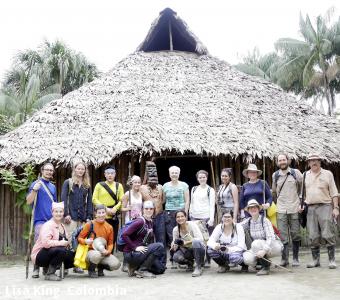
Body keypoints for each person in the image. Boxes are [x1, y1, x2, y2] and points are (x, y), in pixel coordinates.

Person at [303, 153, 339, 269]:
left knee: (328, 233)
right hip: (311, 208)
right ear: (308, 163)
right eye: (311, 161)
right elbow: (302, 194)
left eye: (316, 160)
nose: (314, 162)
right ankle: (315, 261)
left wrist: (336, 208)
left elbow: (334, 192)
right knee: (313, 235)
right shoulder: (305, 175)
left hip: (325, 206)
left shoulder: (328, 174)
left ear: (320, 161)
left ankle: (332, 260)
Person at [26, 162, 58, 278]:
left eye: (51, 170)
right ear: (42, 171)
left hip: (51, 221)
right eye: (47, 170)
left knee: (50, 244)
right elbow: (29, 201)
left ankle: (46, 267)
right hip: (39, 220)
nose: (49, 172)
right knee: (39, 244)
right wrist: (34, 190)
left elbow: (55, 205)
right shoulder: (36, 184)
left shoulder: (53, 187)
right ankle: (35, 267)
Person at [272, 154, 302, 267]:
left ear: (288, 160)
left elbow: (302, 188)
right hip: (281, 209)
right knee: (283, 235)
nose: (282, 162)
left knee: (295, 234)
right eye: (280, 160)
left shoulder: (296, 173)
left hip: (294, 208)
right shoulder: (275, 175)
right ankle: (284, 259)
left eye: (284, 160)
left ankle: (295, 258)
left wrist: (300, 202)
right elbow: (274, 192)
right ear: (277, 162)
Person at [31, 202, 75, 281]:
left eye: (61, 212)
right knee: (61, 250)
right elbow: (46, 243)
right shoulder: (48, 225)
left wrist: (67, 242)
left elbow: (65, 241)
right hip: (39, 255)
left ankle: (54, 267)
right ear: (52, 212)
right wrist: (61, 243)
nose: (59, 214)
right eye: (56, 211)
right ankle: (50, 273)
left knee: (73, 255)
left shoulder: (62, 226)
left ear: (63, 213)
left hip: (53, 252)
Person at [122, 201, 166, 278]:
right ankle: (142, 270)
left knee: (160, 269)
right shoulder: (140, 221)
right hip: (131, 253)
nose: (149, 210)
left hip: (142, 251)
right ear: (142, 210)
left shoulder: (150, 221)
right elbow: (124, 235)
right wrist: (134, 247)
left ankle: (135, 268)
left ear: (154, 210)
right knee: (159, 246)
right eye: (146, 208)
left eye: (151, 209)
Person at [78, 204, 121, 277]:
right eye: (99, 213)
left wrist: (108, 251)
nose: (101, 215)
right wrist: (85, 241)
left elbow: (110, 244)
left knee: (116, 264)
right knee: (97, 255)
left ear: (106, 213)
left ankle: (100, 267)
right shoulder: (89, 224)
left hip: (103, 252)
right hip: (90, 252)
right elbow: (79, 238)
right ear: (95, 214)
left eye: (103, 212)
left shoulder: (109, 227)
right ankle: (91, 269)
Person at [242, 199, 283, 276]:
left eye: (255, 207)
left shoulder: (264, 220)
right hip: (258, 247)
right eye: (250, 208)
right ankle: (264, 262)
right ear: (248, 210)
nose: (253, 209)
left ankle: (265, 267)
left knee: (255, 243)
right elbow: (236, 226)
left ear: (258, 209)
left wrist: (264, 250)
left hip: (272, 246)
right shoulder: (247, 221)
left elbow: (271, 237)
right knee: (246, 259)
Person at [92, 165, 124, 250]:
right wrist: (105, 208)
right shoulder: (99, 185)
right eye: (108, 173)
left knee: (111, 240)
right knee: (100, 239)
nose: (110, 175)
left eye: (112, 173)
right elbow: (94, 199)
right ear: (105, 174)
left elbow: (122, 200)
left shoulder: (119, 186)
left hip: (113, 217)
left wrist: (115, 209)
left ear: (115, 174)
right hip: (101, 217)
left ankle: (109, 259)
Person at [140, 161, 166, 264]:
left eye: (155, 173)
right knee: (147, 239)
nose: (153, 175)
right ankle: (148, 262)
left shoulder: (160, 187)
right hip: (147, 217)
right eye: (150, 173)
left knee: (161, 239)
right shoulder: (142, 188)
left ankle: (162, 262)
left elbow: (163, 200)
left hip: (159, 216)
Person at [189, 170, 215, 267]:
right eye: (200, 177)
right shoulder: (194, 189)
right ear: (197, 179)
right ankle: (199, 259)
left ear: (206, 178)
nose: (202, 179)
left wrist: (211, 219)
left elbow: (212, 205)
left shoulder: (210, 190)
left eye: (203, 177)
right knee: (197, 239)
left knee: (206, 240)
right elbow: (192, 202)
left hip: (206, 217)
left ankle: (208, 260)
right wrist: (190, 213)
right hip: (195, 217)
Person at [61, 162, 93, 240]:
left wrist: (89, 216)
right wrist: (66, 214)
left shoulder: (87, 185)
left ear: (85, 171)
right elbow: (63, 199)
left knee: (81, 241)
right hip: (71, 218)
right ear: (75, 169)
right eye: (78, 169)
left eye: (82, 169)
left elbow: (89, 201)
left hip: (83, 218)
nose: (80, 171)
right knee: (69, 240)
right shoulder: (68, 182)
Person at [171, 210, 206, 277]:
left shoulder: (192, 225)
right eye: (178, 217)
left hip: (198, 249)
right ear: (175, 219)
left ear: (185, 217)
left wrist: (186, 242)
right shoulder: (175, 229)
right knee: (176, 257)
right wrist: (173, 245)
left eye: (182, 216)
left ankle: (198, 266)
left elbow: (200, 239)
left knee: (196, 241)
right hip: (187, 250)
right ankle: (190, 263)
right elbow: (174, 241)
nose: (180, 218)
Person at [163, 166, 190, 250]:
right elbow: (163, 200)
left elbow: (187, 200)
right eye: (172, 173)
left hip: (181, 211)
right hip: (169, 212)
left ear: (179, 174)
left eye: (176, 173)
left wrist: (186, 212)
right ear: (169, 174)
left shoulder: (184, 185)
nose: (174, 174)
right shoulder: (165, 185)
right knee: (170, 232)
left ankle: (184, 249)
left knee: (182, 230)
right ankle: (174, 250)